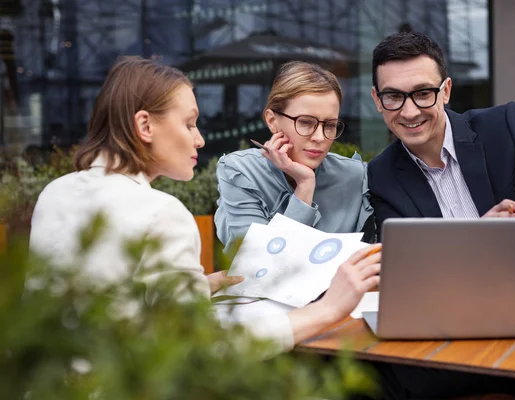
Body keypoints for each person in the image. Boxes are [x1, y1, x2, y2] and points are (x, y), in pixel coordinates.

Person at [29, 56, 381, 355]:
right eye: (189, 123)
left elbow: (107, 300)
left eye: (330, 125)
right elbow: (207, 349)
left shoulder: (56, 192)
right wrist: (329, 310)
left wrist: (199, 284)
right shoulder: (163, 213)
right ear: (145, 125)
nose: (199, 138)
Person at [366, 31, 515, 399]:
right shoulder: (381, 174)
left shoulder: (504, 126)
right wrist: (479, 236)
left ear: (445, 91)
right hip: (450, 332)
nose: (408, 111)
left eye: (422, 93)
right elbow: (413, 270)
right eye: (394, 96)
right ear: (377, 101)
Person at [214, 61, 373, 251]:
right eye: (305, 122)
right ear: (272, 121)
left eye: (330, 125)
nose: (319, 137)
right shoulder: (241, 171)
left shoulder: (354, 175)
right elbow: (257, 265)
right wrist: (305, 186)